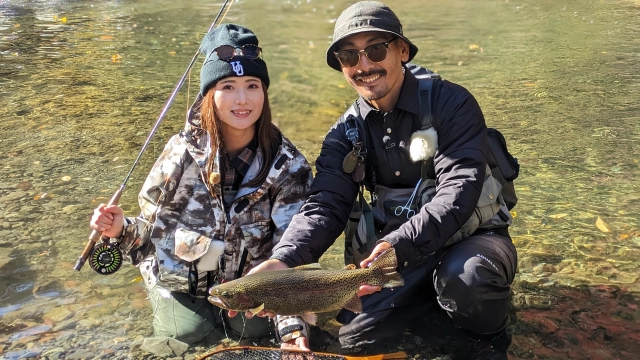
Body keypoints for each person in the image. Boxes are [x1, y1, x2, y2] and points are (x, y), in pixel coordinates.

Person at [248, 0, 518, 352]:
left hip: (472, 241)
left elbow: (459, 193)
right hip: (396, 259)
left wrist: (396, 246)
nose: (364, 65)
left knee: (467, 280)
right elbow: (325, 206)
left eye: (376, 49)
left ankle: (493, 344)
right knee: (354, 341)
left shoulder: (452, 103)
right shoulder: (344, 134)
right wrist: (283, 259)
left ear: (402, 50)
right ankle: (428, 311)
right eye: (349, 56)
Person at [88, 23, 313, 345]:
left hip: (249, 289)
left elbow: (289, 257)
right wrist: (119, 229)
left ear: (264, 92)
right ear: (209, 94)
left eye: (252, 85)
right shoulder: (179, 154)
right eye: (227, 87)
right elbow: (150, 236)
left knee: (257, 333)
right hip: (182, 282)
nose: (242, 99)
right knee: (186, 336)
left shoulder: (290, 166)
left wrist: (293, 330)